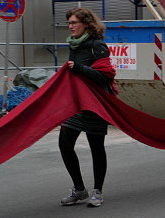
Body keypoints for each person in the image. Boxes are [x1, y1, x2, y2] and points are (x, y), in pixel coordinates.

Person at [59, 8, 112, 207]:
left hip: (95, 104)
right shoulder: (74, 45)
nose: (70, 26)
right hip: (76, 104)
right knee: (64, 144)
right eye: (69, 23)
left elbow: (105, 76)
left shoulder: (97, 46)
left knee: (96, 148)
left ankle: (98, 191)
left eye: (74, 22)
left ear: (86, 24)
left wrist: (79, 68)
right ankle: (80, 189)